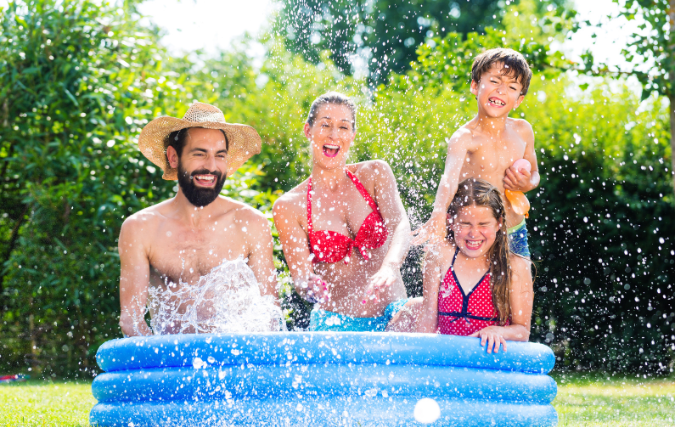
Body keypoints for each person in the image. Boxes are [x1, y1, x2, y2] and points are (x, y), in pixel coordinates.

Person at [118, 102, 280, 336]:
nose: (211, 166)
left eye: (220, 155)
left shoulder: (250, 224)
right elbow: (131, 321)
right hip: (171, 363)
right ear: (173, 157)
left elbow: (270, 314)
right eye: (200, 154)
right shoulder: (141, 228)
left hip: (234, 364)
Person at [273, 92, 419, 332]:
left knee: (422, 308)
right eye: (325, 124)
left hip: (394, 317)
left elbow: (399, 224)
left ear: (352, 135)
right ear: (308, 131)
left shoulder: (375, 174)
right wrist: (308, 285)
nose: (333, 135)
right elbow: (300, 275)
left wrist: (391, 265)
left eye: (343, 127)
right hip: (336, 325)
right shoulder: (289, 206)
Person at [413, 48, 540, 258]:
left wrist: (528, 184)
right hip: (475, 235)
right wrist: (438, 214)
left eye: (511, 86)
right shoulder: (465, 137)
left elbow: (534, 173)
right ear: (475, 85)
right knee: (469, 289)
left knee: (521, 290)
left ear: (519, 99)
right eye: (495, 81)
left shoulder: (523, 130)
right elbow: (449, 179)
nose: (501, 90)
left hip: (514, 232)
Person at [416, 178, 533, 353]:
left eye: (483, 224)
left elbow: (522, 330)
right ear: (451, 221)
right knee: (407, 311)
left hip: (488, 361)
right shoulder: (439, 255)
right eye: (465, 224)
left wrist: (495, 330)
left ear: (499, 223)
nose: (474, 233)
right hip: (449, 355)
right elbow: (428, 320)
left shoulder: (514, 265)